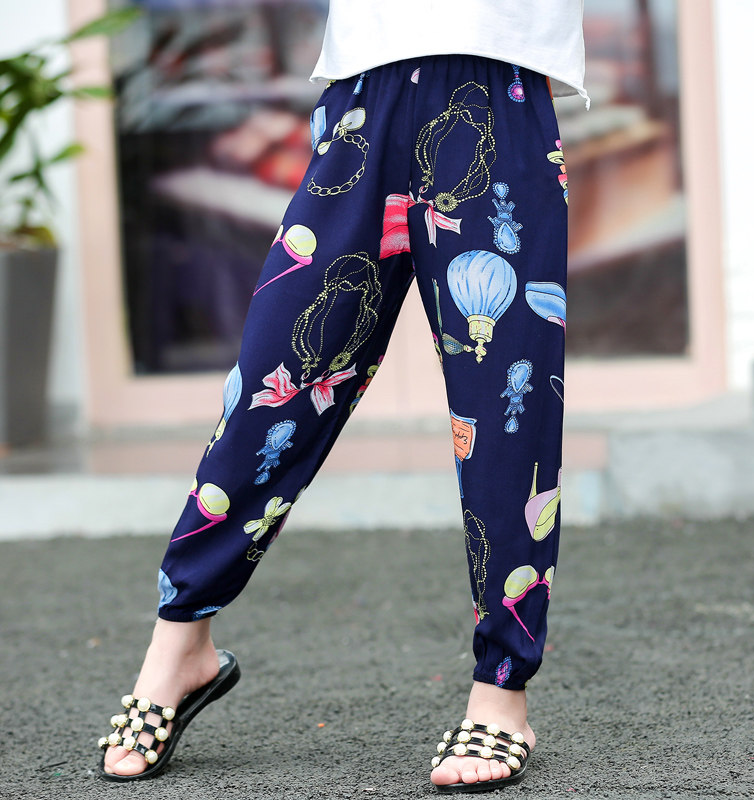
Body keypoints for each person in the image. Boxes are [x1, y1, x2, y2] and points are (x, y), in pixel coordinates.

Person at [96, 0, 588, 792]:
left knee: (505, 411)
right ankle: (180, 642)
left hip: (501, 81)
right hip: (364, 90)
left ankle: (501, 694)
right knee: (275, 380)